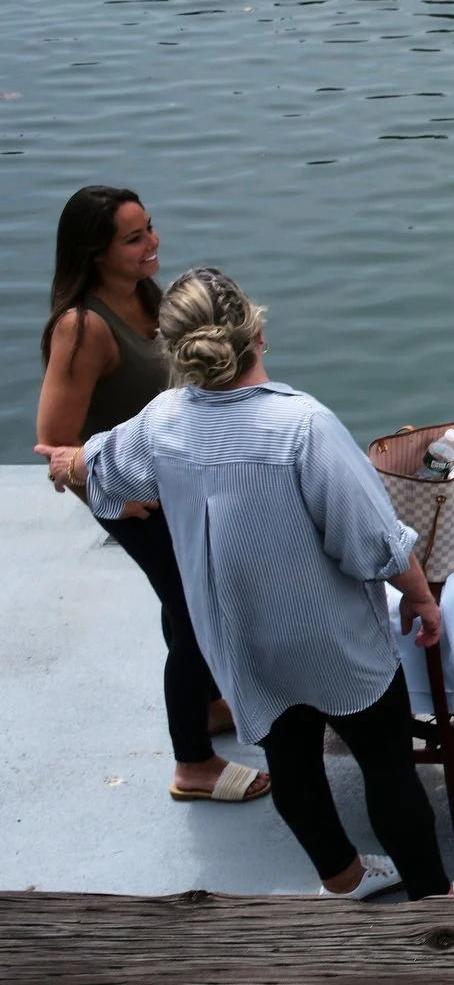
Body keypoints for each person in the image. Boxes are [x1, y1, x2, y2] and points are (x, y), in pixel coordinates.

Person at [35, 267, 454, 898]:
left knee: (291, 761)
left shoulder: (162, 421)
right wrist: (423, 598)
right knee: (385, 765)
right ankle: (433, 899)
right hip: (330, 638)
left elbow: (100, 471)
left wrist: (69, 463)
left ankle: (343, 882)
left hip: (236, 636)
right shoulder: (303, 427)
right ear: (257, 332)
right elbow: (371, 543)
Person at [34, 188, 265, 803]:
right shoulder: (82, 328)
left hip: (181, 492)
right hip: (142, 504)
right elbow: (55, 442)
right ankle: (193, 766)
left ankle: (212, 705)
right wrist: (116, 502)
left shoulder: (148, 301)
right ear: (96, 252)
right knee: (194, 617)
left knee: (184, 603)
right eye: (133, 239)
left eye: (150, 229)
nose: (151, 243)